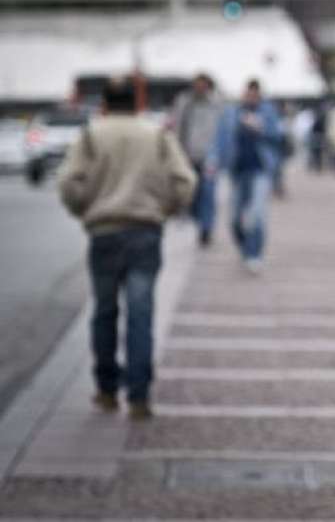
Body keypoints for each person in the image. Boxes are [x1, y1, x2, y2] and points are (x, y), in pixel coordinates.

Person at [57, 78, 196, 419]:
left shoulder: (91, 135)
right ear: (137, 104)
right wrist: (166, 209)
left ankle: (106, 389)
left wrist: (85, 210)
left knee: (104, 311)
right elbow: (185, 181)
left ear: (104, 104)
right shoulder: (156, 135)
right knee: (141, 313)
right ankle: (138, 394)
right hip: (145, 232)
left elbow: (68, 182)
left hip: (104, 232)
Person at [208, 79, 284, 273]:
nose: (251, 97)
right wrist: (214, 159)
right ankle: (244, 247)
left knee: (257, 215)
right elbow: (220, 138)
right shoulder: (232, 112)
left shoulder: (268, 112)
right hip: (237, 170)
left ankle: (254, 253)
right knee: (234, 218)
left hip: (260, 169)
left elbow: (279, 137)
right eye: (248, 94)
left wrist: (261, 128)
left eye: (254, 95)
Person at [170, 73, 224, 247]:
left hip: (210, 156)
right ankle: (196, 217)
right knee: (191, 193)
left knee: (208, 193)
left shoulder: (217, 103)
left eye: (203, 85)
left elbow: (222, 130)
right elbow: (177, 126)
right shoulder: (184, 101)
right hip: (187, 154)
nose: (199, 88)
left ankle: (206, 229)